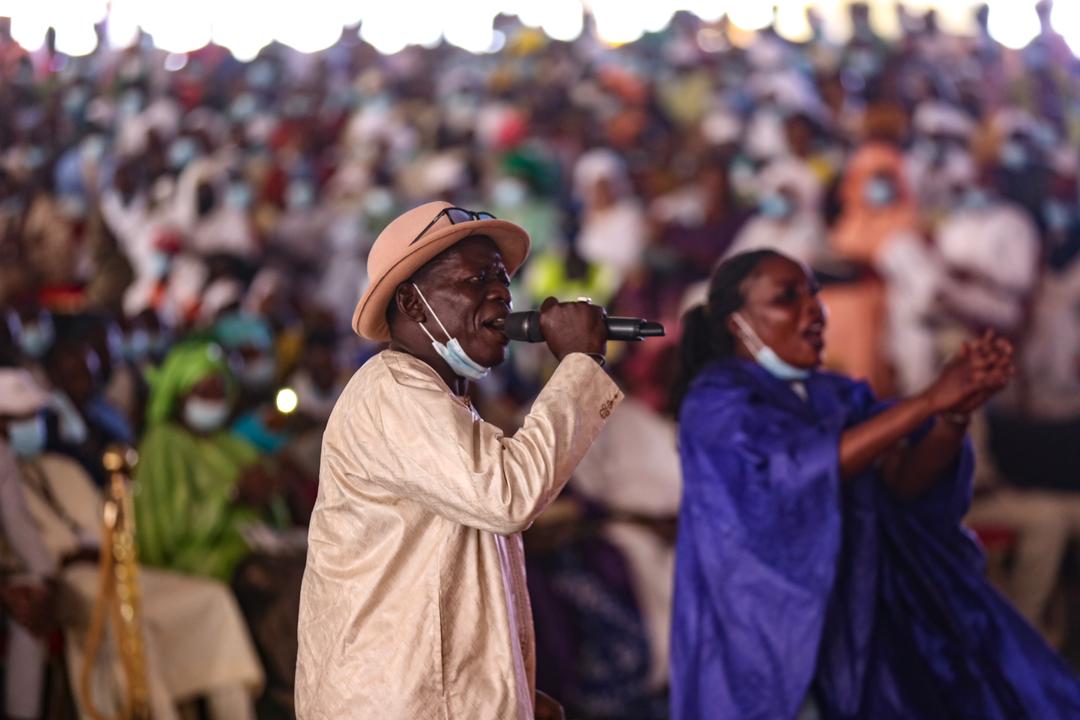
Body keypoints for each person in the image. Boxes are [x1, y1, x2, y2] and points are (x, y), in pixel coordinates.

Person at [669, 249, 1080, 719]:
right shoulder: (717, 402)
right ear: (734, 322)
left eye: (813, 296)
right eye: (788, 298)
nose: (814, 311)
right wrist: (926, 402)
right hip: (769, 622)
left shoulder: (833, 394)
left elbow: (901, 484)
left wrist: (953, 413)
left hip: (853, 612)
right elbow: (792, 474)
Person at [296, 201, 623, 719]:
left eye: (503, 279)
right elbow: (508, 496)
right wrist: (581, 363)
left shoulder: (437, 397)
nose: (501, 293)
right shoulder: (393, 392)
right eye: (476, 280)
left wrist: (507, 688)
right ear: (413, 302)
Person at [0, 367, 263, 720]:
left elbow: (105, 525)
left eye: (32, 417)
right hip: (63, 578)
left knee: (212, 599)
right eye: (17, 419)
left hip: (115, 566)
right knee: (129, 624)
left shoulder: (63, 467)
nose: (24, 427)